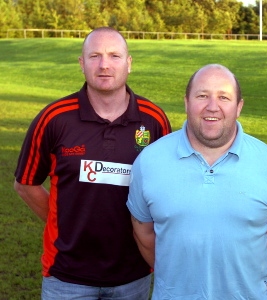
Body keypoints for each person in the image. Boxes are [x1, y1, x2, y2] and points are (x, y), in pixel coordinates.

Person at [13, 27, 171, 299]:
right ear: (81, 63)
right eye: (95, 56)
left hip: (132, 275)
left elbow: (167, 188)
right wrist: (61, 222)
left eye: (114, 55)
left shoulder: (154, 120)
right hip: (67, 276)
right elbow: (26, 184)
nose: (104, 64)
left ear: (129, 63)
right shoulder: (54, 118)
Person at [126, 63, 267, 299]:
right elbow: (143, 233)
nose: (212, 107)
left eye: (224, 97)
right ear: (186, 102)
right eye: (202, 95)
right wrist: (178, 272)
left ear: (239, 107)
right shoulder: (149, 161)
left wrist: (242, 267)